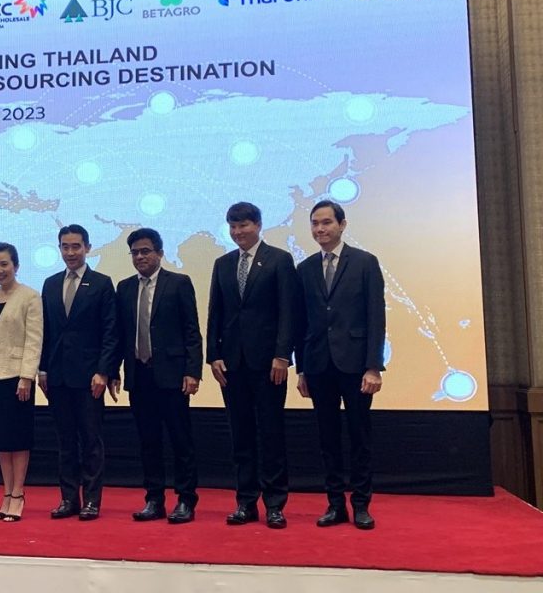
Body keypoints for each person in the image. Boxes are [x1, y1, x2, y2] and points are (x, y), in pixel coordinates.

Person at [206, 202, 300, 529]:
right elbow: (216, 312)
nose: (238, 232)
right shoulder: (223, 264)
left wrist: (283, 355)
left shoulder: (279, 260)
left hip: (268, 363)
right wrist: (213, 355)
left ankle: (275, 504)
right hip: (232, 364)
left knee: (271, 433)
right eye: (233, 226)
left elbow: (288, 311)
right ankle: (245, 502)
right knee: (241, 435)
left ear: (258, 225)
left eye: (243, 225)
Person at [296, 200, 385, 530]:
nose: (320, 229)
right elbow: (300, 322)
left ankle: (361, 504)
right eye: (315, 223)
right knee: (327, 438)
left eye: (326, 222)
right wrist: (301, 368)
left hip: (356, 364)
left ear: (342, 224)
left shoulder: (364, 262)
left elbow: (376, 317)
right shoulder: (304, 268)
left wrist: (373, 366)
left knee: (359, 436)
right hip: (318, 365)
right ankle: (335, 504)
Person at [111, 228, 202, 524]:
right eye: (135, 252)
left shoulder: (178, 283)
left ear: (160, 253)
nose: (140, 257)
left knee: (180, 440)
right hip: (139, 376)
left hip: (173, 376)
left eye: (146, 251)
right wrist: (113, 371)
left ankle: (185, 499)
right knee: (148, 441)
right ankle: (154, 499)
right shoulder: (125, 288)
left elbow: (191, 331)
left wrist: (192, 371)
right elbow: (119, 335)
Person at [39, 224, 118, 521]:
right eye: (65, 246)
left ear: (87, 248)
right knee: (65, 441)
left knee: (91, 441)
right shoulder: (50, 284)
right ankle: (69, 498)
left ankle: (92, 500)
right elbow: (45, 332)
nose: (70, 252)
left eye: (76, 246)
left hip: (89, 377)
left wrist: (103, 372)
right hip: (57, 376)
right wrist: (42, 369)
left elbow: (110, 332)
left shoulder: (101, 283)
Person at [0, 242, 43, 522]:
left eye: (4, 264)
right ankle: (6, 492)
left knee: (18, 437)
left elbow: (34, 339)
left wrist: (27, 376)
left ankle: (18, 494)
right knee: (1, 438)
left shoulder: (30, 296)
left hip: (17, 377)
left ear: (16, 265)